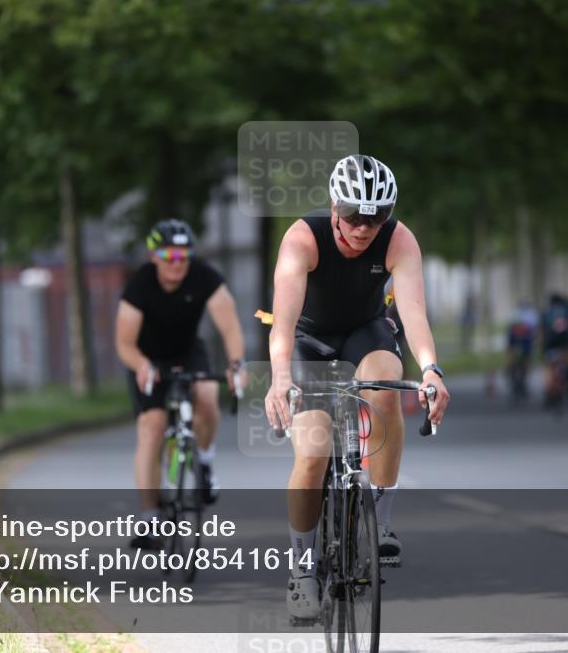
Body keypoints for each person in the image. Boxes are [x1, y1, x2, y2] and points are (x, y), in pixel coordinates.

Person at [263, 155, 450, 620]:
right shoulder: (302, 239)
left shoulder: (399, 240)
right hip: (310, 341)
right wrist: (280, 378)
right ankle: (302, 568)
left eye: (376, 216)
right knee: (312, 454)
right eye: (354, 216)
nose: (364, 227)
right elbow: (281, 326)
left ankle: (381, 522)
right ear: (334, 206)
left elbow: (413, 314)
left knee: (385, 387)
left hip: (365, 332)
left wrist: (431, 370)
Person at [115, 219, 246, 550]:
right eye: (169, 257)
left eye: (184, 257)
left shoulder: (204, 277)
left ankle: (204, 461)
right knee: (152, 426)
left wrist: (235, 365)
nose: (177, 264)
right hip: (146, 359)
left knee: (207, 395)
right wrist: (142, 365)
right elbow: (124, 344)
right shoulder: (139, 286)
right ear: (154, 256)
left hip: (188, 352)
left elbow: (230, 327)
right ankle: (149, 516)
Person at [540, 293, 568, 405]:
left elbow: (541, 331)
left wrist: (541, 346)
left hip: (550, 344)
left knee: (549, 368)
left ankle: (549, 391)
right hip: (565, 343)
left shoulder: (546, 312)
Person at [506, 301, 538, 402]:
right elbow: (534, 331)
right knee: (526, 359)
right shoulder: (531, 315)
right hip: (524, 342)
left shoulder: (514, 314)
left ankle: (511, 370)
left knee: (513, 357)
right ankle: (519, 373)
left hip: (516, 341)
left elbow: (510, 332)